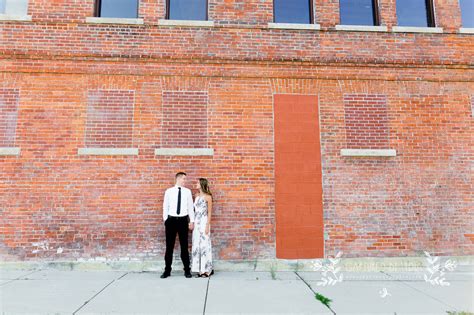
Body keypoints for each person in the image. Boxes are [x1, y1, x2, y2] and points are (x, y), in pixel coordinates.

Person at [161, 172, 194, 279]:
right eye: (184, 179)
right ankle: (167, 270)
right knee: (169, 247)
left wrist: (192, 221)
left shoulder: (187, 192)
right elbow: (165, 206)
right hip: (171, 221)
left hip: (183, 221)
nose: (185, 181)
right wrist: (166, 220)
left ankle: (187, 270)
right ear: (178, 179)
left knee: (184, 247)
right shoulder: (169, 191)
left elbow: (190, 208)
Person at [191, 178, 214, 277]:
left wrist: (207, 225)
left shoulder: (208, 197)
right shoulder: (196, 196)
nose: (196, 184)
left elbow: (209, 213)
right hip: (197, 222)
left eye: (197, 183)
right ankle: (199, 269)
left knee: (204, 245)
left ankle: (206, 269)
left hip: (204, 222)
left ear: (201, 184)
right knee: (197, 245)